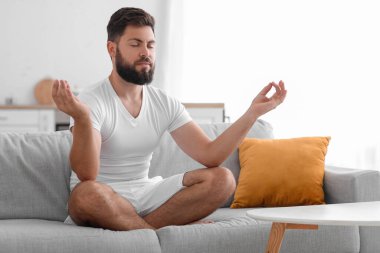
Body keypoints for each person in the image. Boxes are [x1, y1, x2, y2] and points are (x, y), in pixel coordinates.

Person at [52, 7, 286, 231]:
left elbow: (210, 155)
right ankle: (155, 233)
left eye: (150, 45)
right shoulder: (92, 99)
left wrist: (252, 113)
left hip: (146, 193)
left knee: (223, 179)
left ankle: (139, 229)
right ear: (112, 49)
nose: (146, 52)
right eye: (135, 44)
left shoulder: (163, 102)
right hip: (104, 196)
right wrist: (81, 117)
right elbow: (87, 175)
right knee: (85, 194)